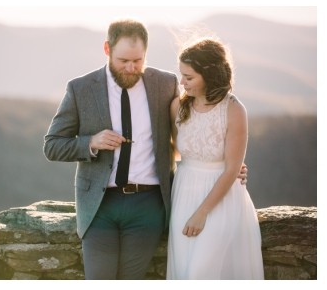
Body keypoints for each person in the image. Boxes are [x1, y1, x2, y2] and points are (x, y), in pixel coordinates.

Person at [43, 19, 247, 279]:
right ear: (107, 49)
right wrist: (90, 142)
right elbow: (52, 146)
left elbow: (196, 130)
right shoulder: (80, 88)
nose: (131, 68)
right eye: (123, 61)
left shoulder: (166, 84)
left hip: (148, 204)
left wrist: (229, 167)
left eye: (138, 61)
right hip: (99, 206)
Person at [166, 39, 263, 279]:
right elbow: (178, 151)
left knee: (202, 272)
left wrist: (202, 213)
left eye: (189, 77)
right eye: (181, 75)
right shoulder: (177, 106)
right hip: (184, 191)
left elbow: (232, 168)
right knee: (186, 270)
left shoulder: (233, 109)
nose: (182, 82)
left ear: (209, 75)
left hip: (221, 197)